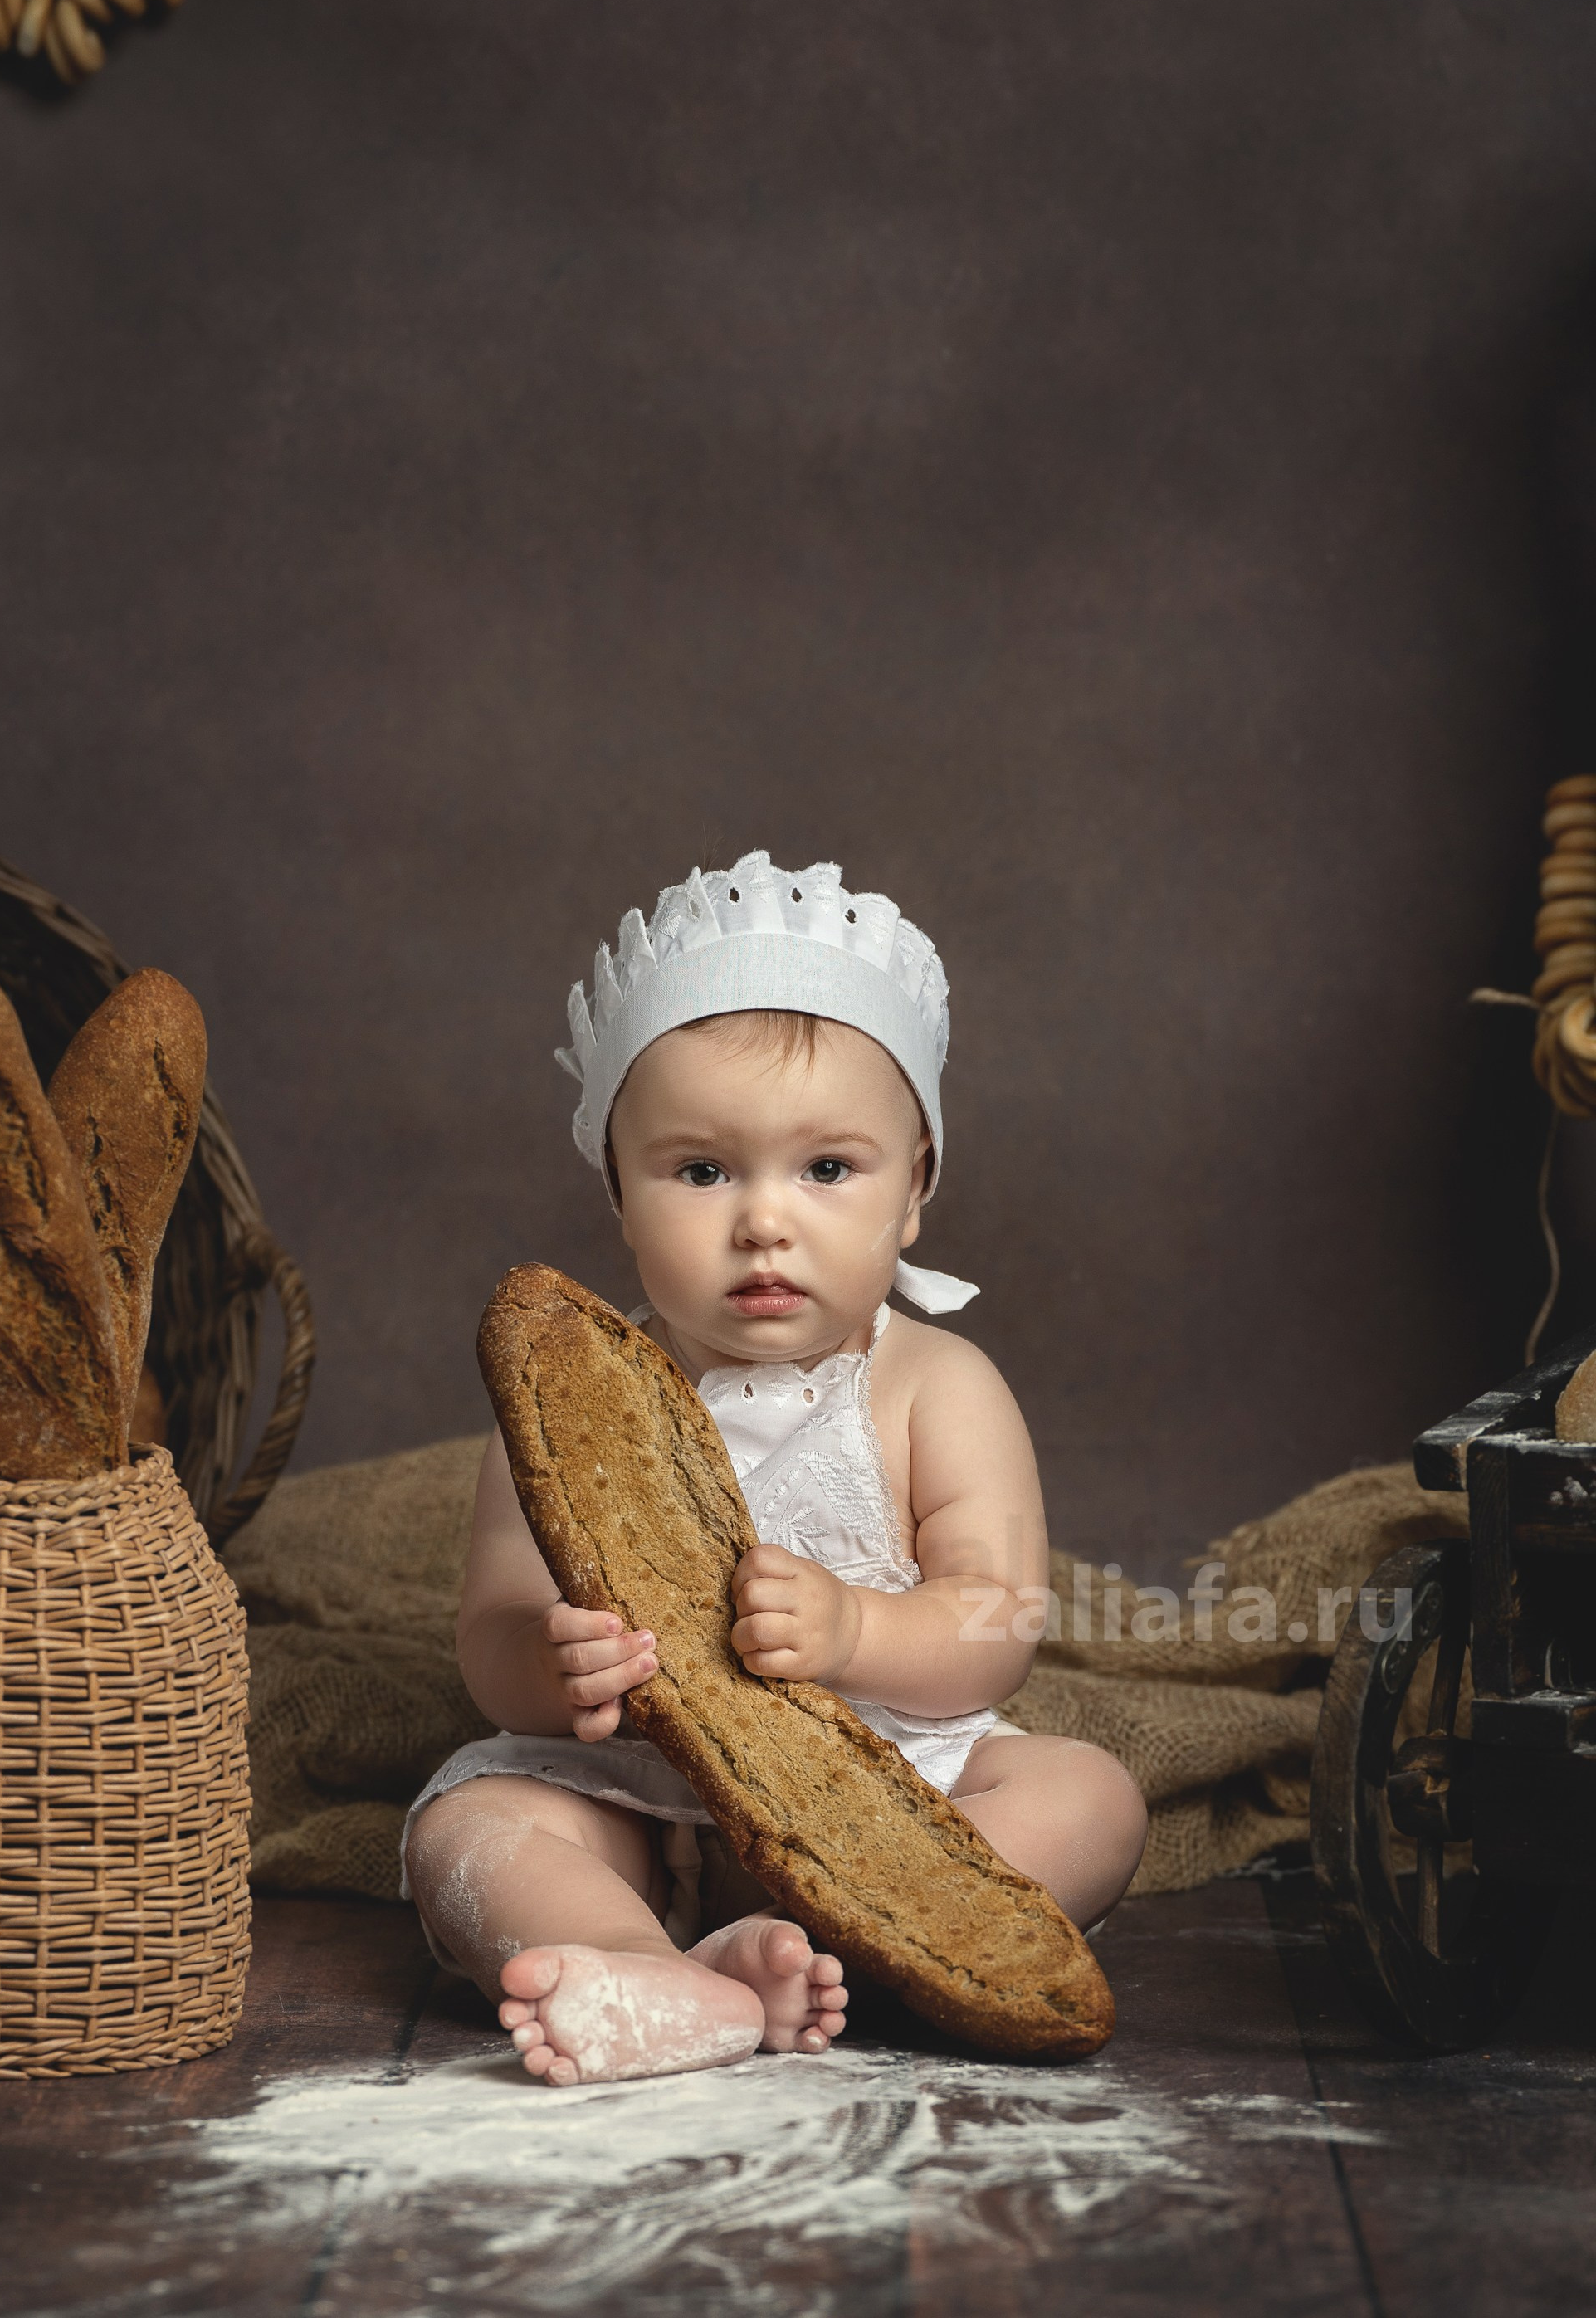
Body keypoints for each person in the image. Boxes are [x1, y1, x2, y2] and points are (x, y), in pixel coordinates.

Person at [403, 852, 1147, 2085]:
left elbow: (997, 1616)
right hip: (644, 1798)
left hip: (887, 1797)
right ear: (620, 1198)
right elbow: (489, 1632)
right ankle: (635, 1962)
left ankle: (845, 1942)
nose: (763, 1219)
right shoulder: (567, 1405)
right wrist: (554, 1666)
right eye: (701, 1171)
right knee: (468, 1832)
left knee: (1091, 1798)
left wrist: (857, 1629)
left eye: (827, 1169)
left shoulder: (934, 1387)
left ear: (914, 1191)